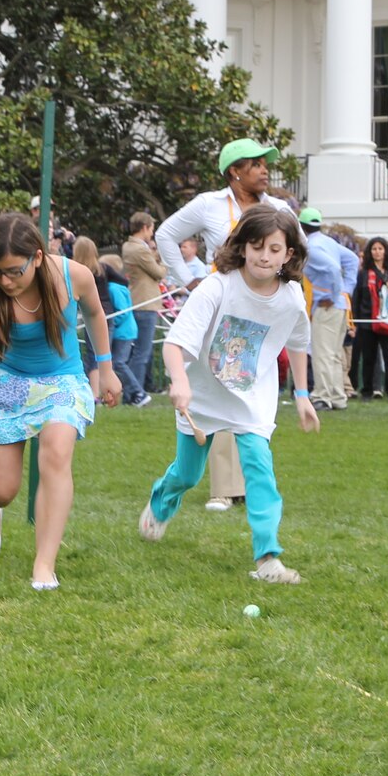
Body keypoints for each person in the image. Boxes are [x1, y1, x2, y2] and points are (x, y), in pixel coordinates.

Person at [139, 205, 318, 584]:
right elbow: (175, 345)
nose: (264, 257)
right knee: (187, 475)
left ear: (288, 254)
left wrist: (302, 394)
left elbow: (299, 343)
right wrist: (179, 380)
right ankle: (161, 503)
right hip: (201, 393)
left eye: (274, 249)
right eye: (256, 247)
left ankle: (268, 558)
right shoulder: (217, 286)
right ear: (241, 246)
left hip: (251, 398)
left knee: (260, 471)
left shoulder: (290, 298)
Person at [0, 212, 119, 590]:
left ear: (38, 257)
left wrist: (107, 369)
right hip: (10, 382)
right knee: (2, 489)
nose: (6, 281)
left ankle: (44, 565)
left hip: (63, 379)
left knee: (57, 452)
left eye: (15, 271)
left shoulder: (73, 275)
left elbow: (96, 313)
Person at [154, 138, 296, 512]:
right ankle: (221, 488)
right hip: (217, 312)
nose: (265, 169)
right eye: (255, 164)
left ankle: (247, 485)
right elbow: (166, 234)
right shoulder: (209, 205)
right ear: (234, 171)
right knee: (214, 386)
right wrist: (187, 278)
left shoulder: (279, 209)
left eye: (266, 163)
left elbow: (294, 254)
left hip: (257, 315)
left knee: (248, 393)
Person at [298, 208, 358, 412]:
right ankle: (337, 396)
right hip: (340, 306)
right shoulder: (328, 242)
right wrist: (345, 291)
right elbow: (353, 260)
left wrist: (333, 296)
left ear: (301, 226)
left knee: (322, 353)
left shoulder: (310, 247)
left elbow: (333, 269)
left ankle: (322, 396)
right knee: (333, 353)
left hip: (327, 305)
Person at [90, 245, 148, 407]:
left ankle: (139, 393)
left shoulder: (113, 288)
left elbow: (122, 312)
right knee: (117, 363)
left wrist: (108, 323)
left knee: (118, 363)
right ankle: (131, 393)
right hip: (124, 331)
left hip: (124, 332)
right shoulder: (118, 287)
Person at [121, 212, 170, 394]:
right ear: (144, 227)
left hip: (139, 301)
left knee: (141, 351)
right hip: (145, 303)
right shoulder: (140, 249)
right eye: (151, 228)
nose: (152, 233)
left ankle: (139, 388)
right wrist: (164, 262)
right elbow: (158, 273)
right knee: (142, 351)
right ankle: (136, 392)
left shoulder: (130, 246)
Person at [352, 236, 388, 401]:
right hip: (369, 321)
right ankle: (367, 391)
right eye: (374, 249)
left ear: (385, 251)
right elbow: (357, 297)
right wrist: (356, 320)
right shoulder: (364, 273)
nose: (377, 252)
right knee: (368, 358)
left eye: (380, 249)